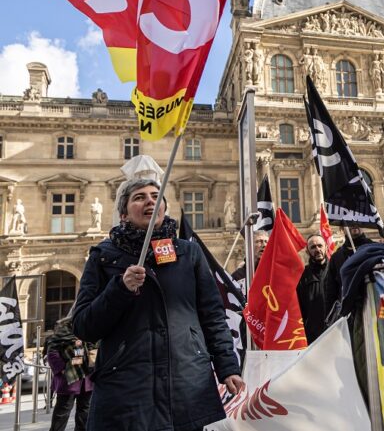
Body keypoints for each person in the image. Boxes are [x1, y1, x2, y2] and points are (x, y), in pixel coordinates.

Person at [72, 178, 243, 431]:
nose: (150, 200)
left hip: (186, 382)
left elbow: (213, 316)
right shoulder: (103, 256)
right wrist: (119, 288)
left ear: (164, 207)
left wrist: (227, 366)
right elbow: (83, 326)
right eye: (139, 197)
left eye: (156, 196)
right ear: (123, 214)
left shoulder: (188, 253)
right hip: (127, 388)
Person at [45, 317, 93, 431]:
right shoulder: (59, 337)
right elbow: (52, 354)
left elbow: (93, 347)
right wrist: (63, 369)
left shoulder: (88, 333)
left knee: (85, 411)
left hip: (86, 380)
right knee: (62, 411)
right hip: (69, 379)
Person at [324, 226, 373, 320]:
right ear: (342, 228)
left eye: (357, 218)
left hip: (373, 310)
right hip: (349, 317)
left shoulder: (376, 249)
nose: (354, 223)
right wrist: (330, 319)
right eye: (349, 221)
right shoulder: (336, 257)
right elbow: (331, 292)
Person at [297, 235, 330, 342]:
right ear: (307, 252)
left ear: (326, 247)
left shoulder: (337, 270)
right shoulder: (302, 275)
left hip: (335, 329)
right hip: (312, 335)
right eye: (313, 247)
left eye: (320, 246)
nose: (317, 249)